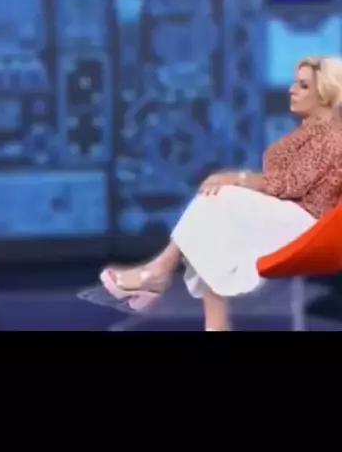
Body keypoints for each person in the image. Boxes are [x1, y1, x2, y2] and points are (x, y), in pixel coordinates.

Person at [100, 57, 342, 331]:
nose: (292, 90)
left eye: (303, 86)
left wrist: (238, 179)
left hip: (313, 227)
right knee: (214, 225)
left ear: (326, 94)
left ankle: (159, 272)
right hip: (284, 215)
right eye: (295, 83)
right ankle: (208, 319)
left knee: (222, 196)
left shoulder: (333, 138)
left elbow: (291, 184)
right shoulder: (306, 134)